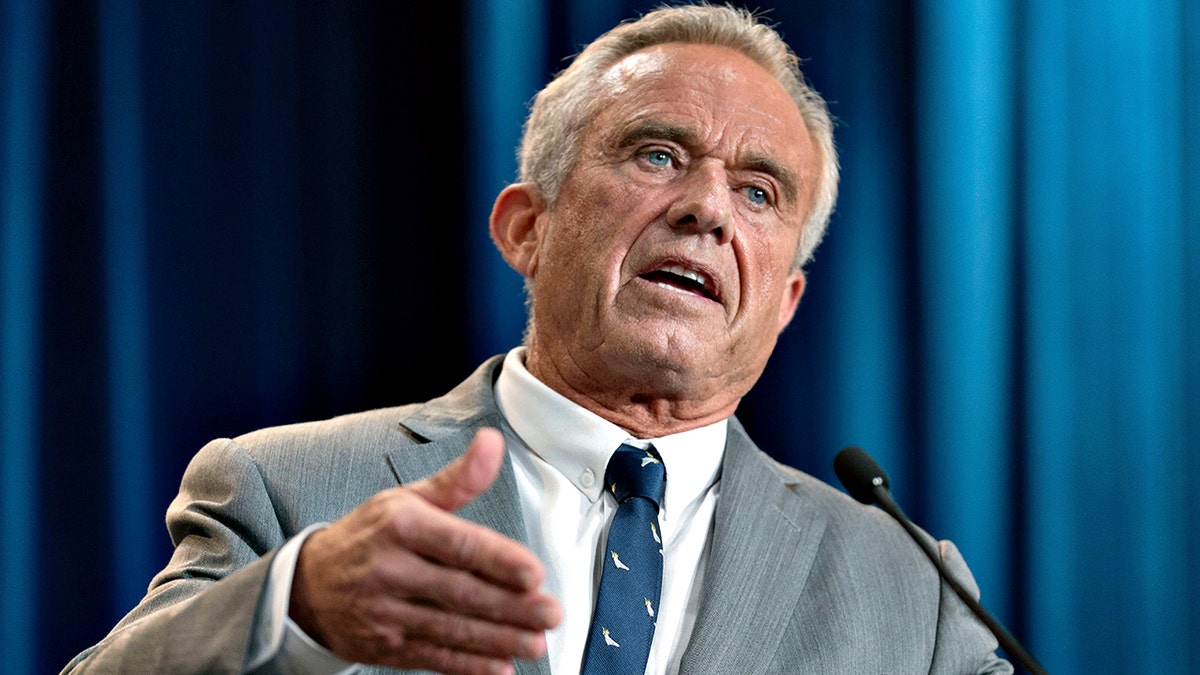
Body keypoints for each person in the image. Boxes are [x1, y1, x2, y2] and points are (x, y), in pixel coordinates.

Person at [64, 4, 1012, 674]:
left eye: (761, 191)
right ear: (526, 226)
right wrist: (300, 607)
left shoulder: (913, 591)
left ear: (787, 300)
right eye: (658, 155)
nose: (707, 210)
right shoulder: (287, 491)